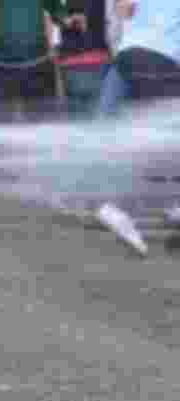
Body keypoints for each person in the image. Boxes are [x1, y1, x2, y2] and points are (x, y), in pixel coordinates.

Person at [0, 0, 87, 230]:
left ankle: (62, 196)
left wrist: (68, 20)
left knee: (49, 133)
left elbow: (56, 8)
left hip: (38, 66)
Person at [87, 0, 180, 256]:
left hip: (125, 59)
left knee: (107, 129)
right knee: (162, 136)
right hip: (160, 62)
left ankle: (110, 204)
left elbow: (121, 9)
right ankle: (160, 205)